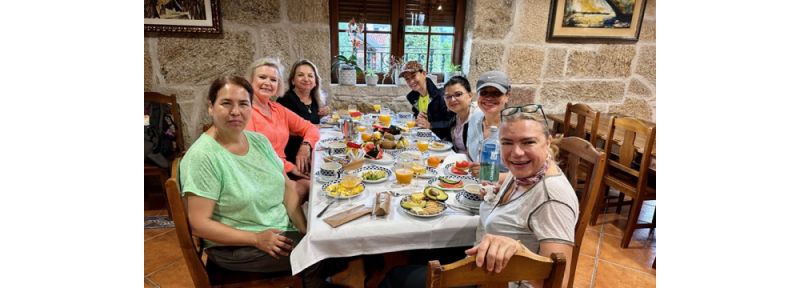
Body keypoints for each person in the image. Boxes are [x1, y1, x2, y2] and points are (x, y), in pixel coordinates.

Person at [379, 104, 578, 288]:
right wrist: (495, 191)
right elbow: (517, 198)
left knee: (397, 277)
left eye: (528, 142)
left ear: (547, 142)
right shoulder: (524, 173)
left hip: (496, 282)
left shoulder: (553, 199)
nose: (516, 153)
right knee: (420, 250)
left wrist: (519, 253)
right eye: (507, 142)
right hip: (483, 258)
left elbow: (558, 280)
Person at [180, 76, 323, 287]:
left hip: (278, 228)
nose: (236, 111)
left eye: (243, 104)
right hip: (238, 246)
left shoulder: (259, 141)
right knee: (321, 254)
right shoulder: (203, 157)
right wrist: (256, 239)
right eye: (226, 103)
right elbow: (199, 224)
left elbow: (286, 188)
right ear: (211, 107)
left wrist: (304, 231)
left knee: (329, 240)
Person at [245, 57, 320, 201]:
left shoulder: (278, 109)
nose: (268, 83)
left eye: (273, 80)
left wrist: (305, 146)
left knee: (321, 183)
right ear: (250, 81)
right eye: (262, 77)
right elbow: (256, 156)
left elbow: (310, 128)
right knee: (316, 189)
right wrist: (290, 168)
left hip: (282, 170)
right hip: (262, 175)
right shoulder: (246, 111)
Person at [278, 59, 330, 164]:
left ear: (315, 82)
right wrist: (311, 129)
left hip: (314, 149)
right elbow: (281, 130)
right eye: (301, 75)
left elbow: (310, 118)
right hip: (294, 155)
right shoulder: (285, 100)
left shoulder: (315, 99)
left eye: (310, 76)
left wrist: (324, 113)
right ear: (293, 80)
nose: (306, 79)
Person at [466, 70, 511, 182]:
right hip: (474, 186)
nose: (489, 98)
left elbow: (529, 174)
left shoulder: (514, 129)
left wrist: (488, 174)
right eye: (484, 93)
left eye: (496, 93)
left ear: (507, 96)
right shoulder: (475, 118)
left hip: (504, 193)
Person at [400, 60, 455, 141]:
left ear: (424, 74)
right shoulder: (412, 97)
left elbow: (452, 122)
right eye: (407, 79)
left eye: (414, 76)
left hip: (442, 142)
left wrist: (430, 125)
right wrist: (417, 118)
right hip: (424, 139)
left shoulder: (442, 95)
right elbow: (417, 116)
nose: (411, 81)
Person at [442, 75, 476, 154]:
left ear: (470, 96)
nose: (453, 99)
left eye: (458, 94)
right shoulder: (454, 118)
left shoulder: (478, 117)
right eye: (448, 96)